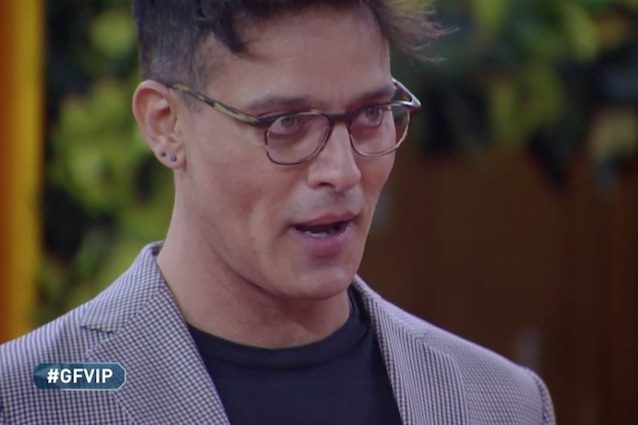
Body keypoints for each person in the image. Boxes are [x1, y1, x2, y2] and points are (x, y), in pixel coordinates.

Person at [0, 1, 555, 424]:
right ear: (165, 125)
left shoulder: (500, 403)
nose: (342, 171)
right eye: (286, 124)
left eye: (371, 114)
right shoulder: (30, 397)